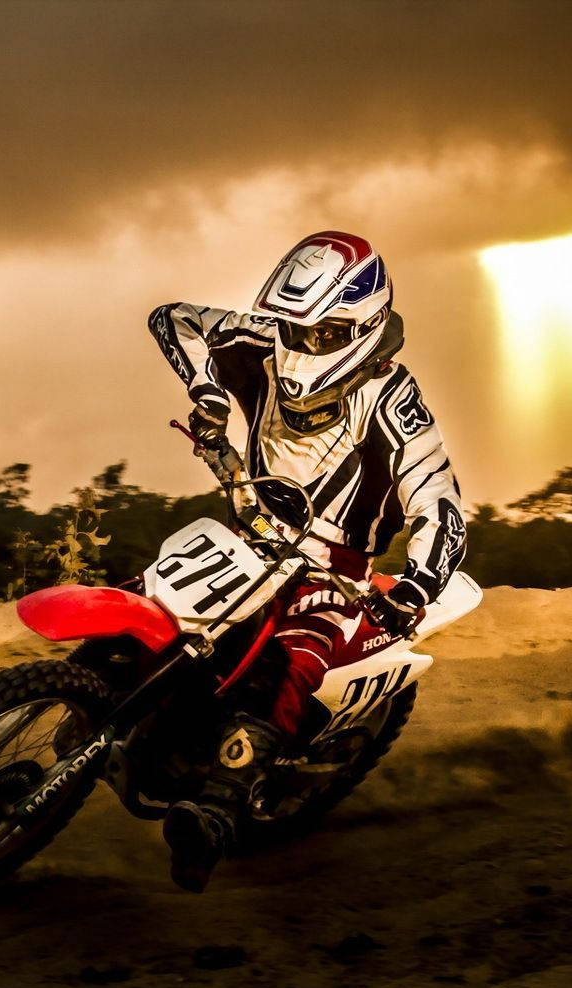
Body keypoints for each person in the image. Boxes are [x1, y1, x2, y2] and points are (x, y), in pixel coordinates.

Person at [146, 230, 466, 892]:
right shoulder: (264, 338)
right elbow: (173, 319)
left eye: (320, 334)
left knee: (291, 659)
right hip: (249, 529)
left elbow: (441, 504)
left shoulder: (393, 400)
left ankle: (214, 815)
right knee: (148, 599)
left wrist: (414, 589)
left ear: (361, 327)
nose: (298, 346)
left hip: (334, 569)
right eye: (293, 328)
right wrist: (206, 391)